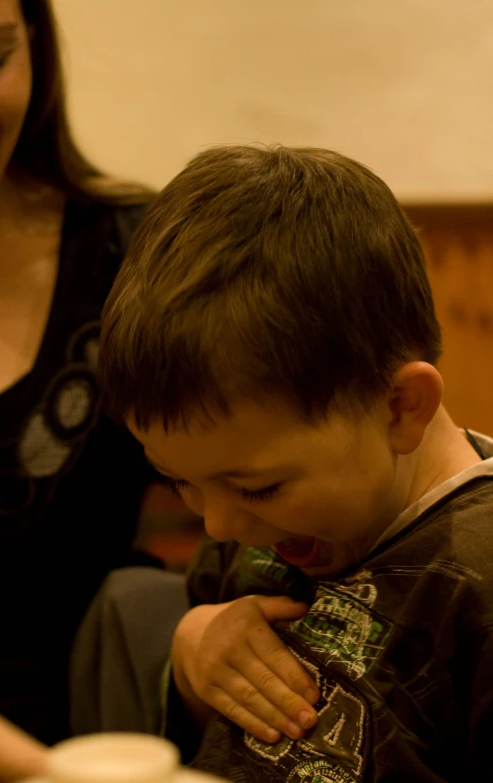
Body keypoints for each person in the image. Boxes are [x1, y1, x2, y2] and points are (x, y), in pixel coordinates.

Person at [98, 144, 493, 781]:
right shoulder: (271, 530)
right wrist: (197, 644)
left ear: (400, 408)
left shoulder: (477, 581)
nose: (217, 526)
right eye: (180, 482)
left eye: (257, 487)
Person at [0, 0, 167, 748]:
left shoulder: (132, 255)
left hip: (103, 748)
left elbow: (273, 506)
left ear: (35, 48)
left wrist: (224, 614)